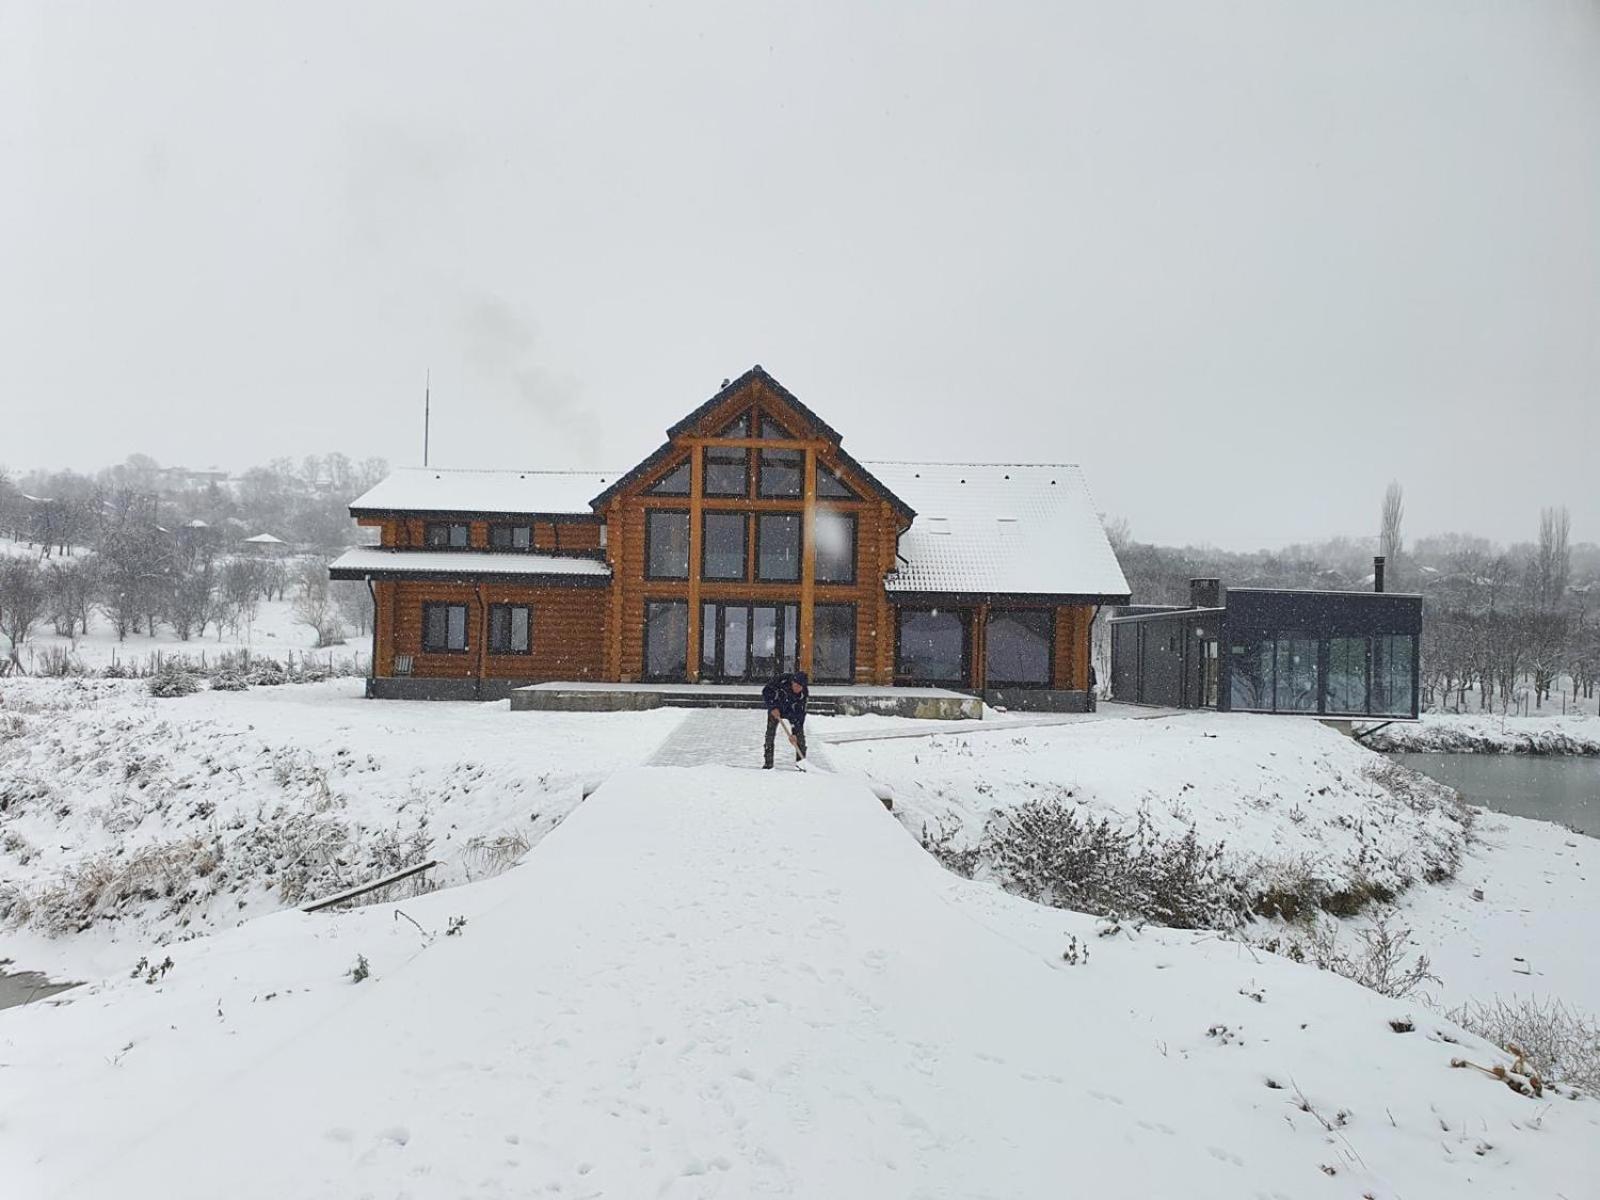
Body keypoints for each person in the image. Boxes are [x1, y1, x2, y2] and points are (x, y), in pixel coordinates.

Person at [761, 670, 809, 768]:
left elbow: (800, 714)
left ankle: (801, 764)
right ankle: (768, 764)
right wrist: (773, 707)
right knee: (770, 735)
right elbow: (766, 691)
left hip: (792, 712)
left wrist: (795, 733)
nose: (797, 689)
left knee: (800, 738)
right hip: (776, 709)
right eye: (796, 686)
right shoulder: (781, 680)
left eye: (800, 687)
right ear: (792, 682)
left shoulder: (803, 694)